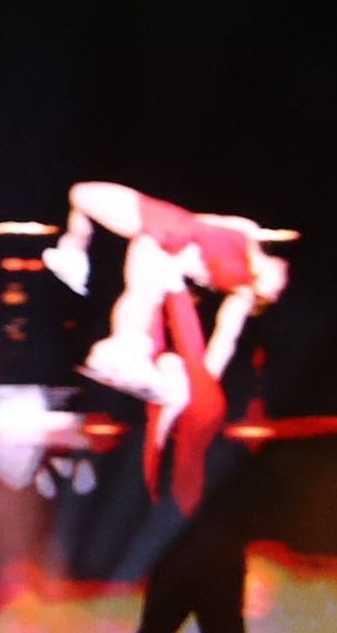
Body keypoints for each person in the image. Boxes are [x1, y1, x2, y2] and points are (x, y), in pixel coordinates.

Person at [42, 180, 291, 515]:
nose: (283, 274)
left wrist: (198, 387)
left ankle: (123, 341)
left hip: (161, 243)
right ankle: (72, 253)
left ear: (266, 293)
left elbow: (224, 341)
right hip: (169, 226)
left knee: (141, 290)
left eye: (279, 288)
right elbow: (203, 224)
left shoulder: (242, 294)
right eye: (283, 273)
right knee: (81, 195)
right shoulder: (250, 235)